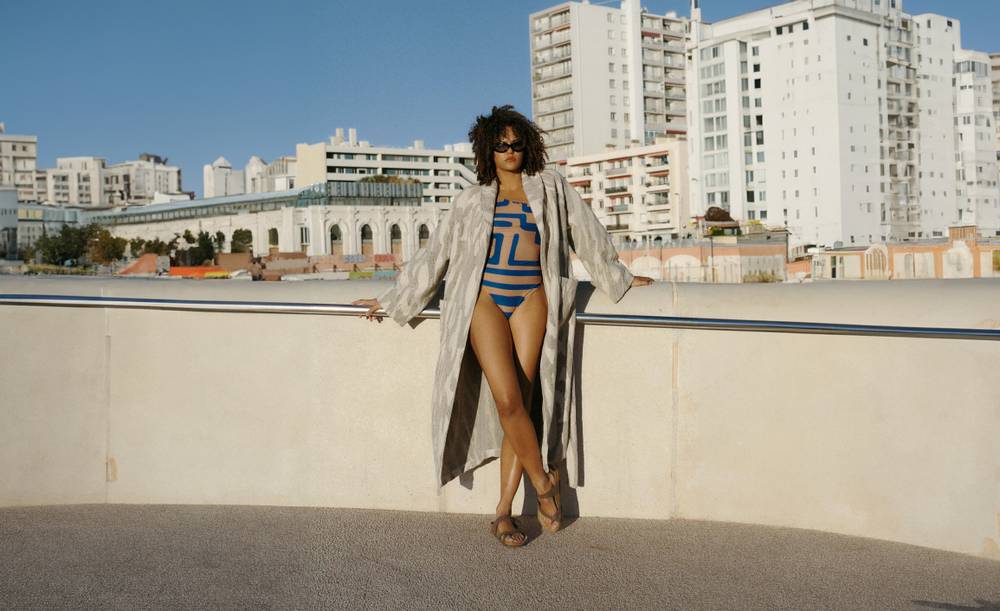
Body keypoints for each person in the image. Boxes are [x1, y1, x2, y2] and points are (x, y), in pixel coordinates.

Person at [353, 105, 653, 548]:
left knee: (524, 403)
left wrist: (618, 276)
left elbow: (587, 233)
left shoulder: (551, 188)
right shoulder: (470, 200)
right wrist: (392, 298)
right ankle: (546, 486)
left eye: (516, 144)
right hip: (485, 300)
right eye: (501, 145)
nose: (510, 151)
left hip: (533, 297)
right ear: (487, 150)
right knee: (507, 398)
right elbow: (435, 256)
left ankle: (503, 513)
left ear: (526, 145)